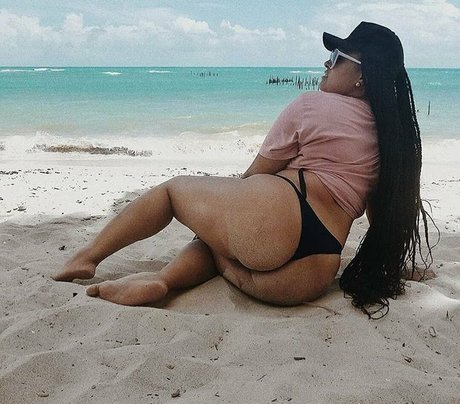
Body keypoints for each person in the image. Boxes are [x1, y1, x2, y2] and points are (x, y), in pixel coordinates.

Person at [53, 22, 434, 318]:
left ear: (361, 76)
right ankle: (163, 281)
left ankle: (87, 258)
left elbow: (255, 176)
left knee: (173, 191)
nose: (325, 64)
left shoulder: (311, 105)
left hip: (279, 219)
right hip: (308, 275)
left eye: (335, 57)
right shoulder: (394, 140)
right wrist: (398, 265)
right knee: (222, 244)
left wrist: (226, 215)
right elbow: (381, 216)